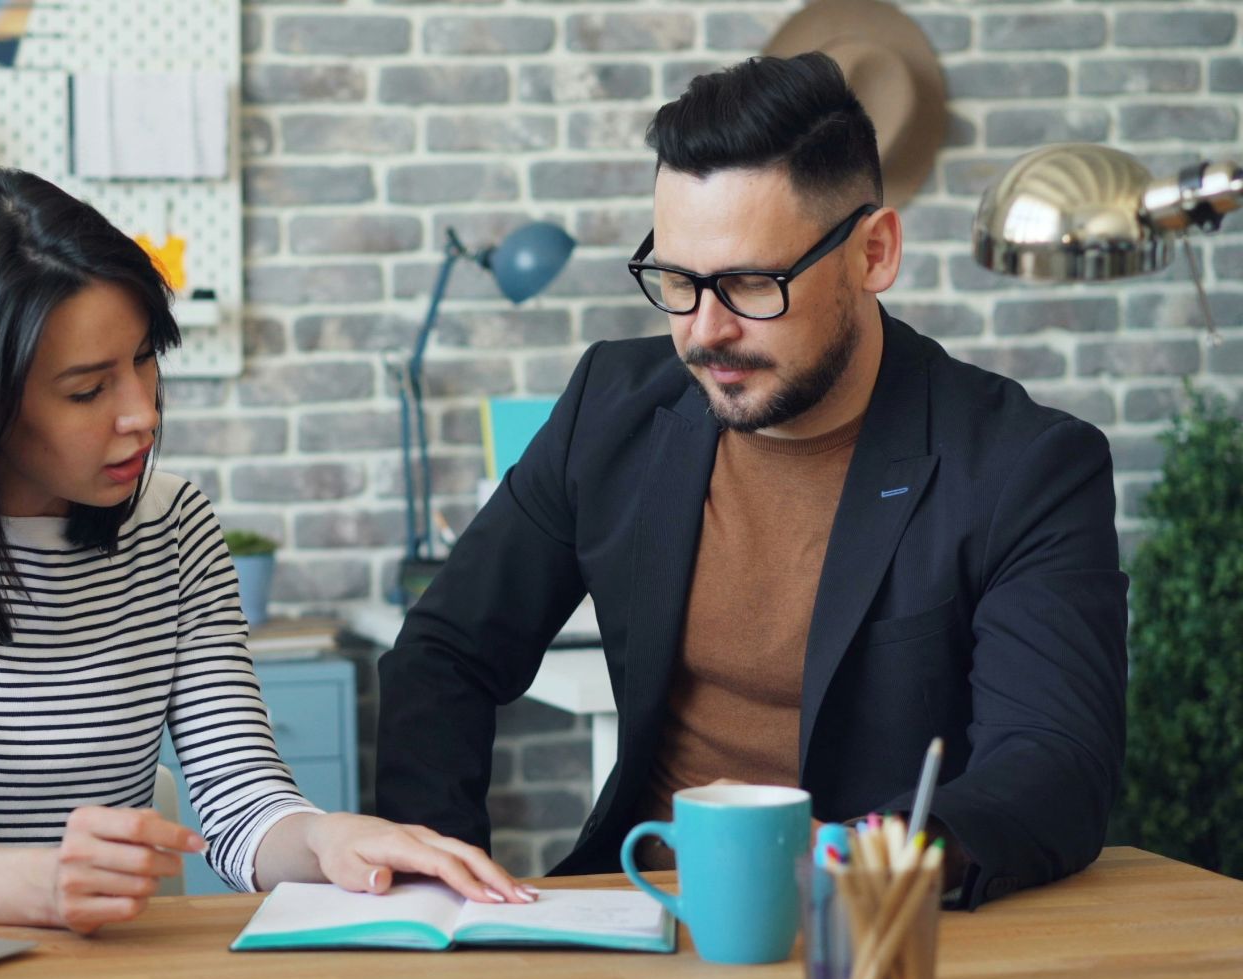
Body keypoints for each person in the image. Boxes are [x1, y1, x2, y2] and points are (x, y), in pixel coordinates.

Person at [374, 53, 1126, 910]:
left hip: (868, 932)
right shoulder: (610, 407)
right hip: (635, 909)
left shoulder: (1024, 468)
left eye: (747, 284)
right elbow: (446, 651)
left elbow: (1053, 764)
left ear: (874, 253)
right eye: (678, 281)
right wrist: (442, 884)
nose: (703, 332)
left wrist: (863, 858)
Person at [0, 168, 532, 936]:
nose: (140, 415)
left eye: (144, 359)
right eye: (87, 391)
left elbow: (242, 805)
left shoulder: (173, 527)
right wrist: (29, 885)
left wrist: (326, 836)